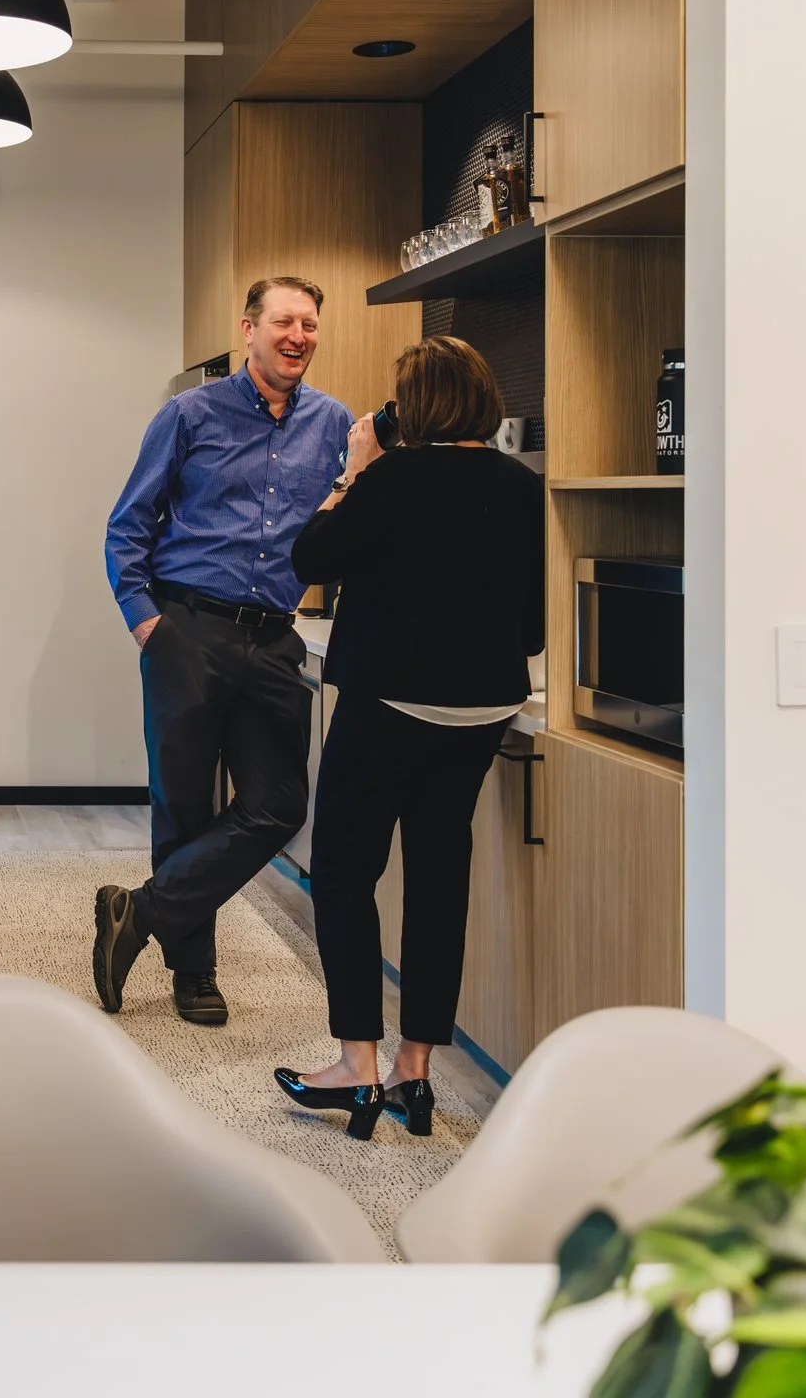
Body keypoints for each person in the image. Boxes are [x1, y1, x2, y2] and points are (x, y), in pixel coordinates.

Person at [272, 335, 542, 1140]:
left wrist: (355, 470)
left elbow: (308, 556)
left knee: (345, 870)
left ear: (410, 409)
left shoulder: (391, 478)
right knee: (437, 872)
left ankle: (357, 1064)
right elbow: (531, 619)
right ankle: (413, 1071)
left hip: (390, 701)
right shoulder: (522, 485)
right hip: (482, 710)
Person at [94, 276, 352, 1025]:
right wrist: (150, 627)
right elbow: (127, 527)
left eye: (309, 324)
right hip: (187, 629)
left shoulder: (334, 423)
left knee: (277, 806)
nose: (298, 336)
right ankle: (194, 972)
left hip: (275, 638)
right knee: (184, 804)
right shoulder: (188, 414)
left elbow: (345, 525)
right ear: (248, 328)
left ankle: (138, 913)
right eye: (284, 322)